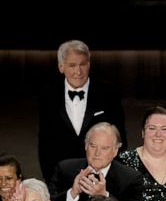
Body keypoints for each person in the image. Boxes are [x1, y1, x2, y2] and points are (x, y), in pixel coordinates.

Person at [38, 39, 127, 179]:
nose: (78, 71)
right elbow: (45, 143)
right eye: (72, 65)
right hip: (62, 176)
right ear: (61, 67)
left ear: (89, 64)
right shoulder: (48, 95)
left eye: (82, 64)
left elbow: (120, 139)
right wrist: (51, 179)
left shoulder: (109, 93)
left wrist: (111, 177)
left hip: (101, 176)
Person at [48, 123, 145, 201]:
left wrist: (106, 197)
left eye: (104, 148)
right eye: (93, 146)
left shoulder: (131, 178)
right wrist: (72, 193)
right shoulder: (65, 169)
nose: (97, 153)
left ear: (115, 150)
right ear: (85, 146)